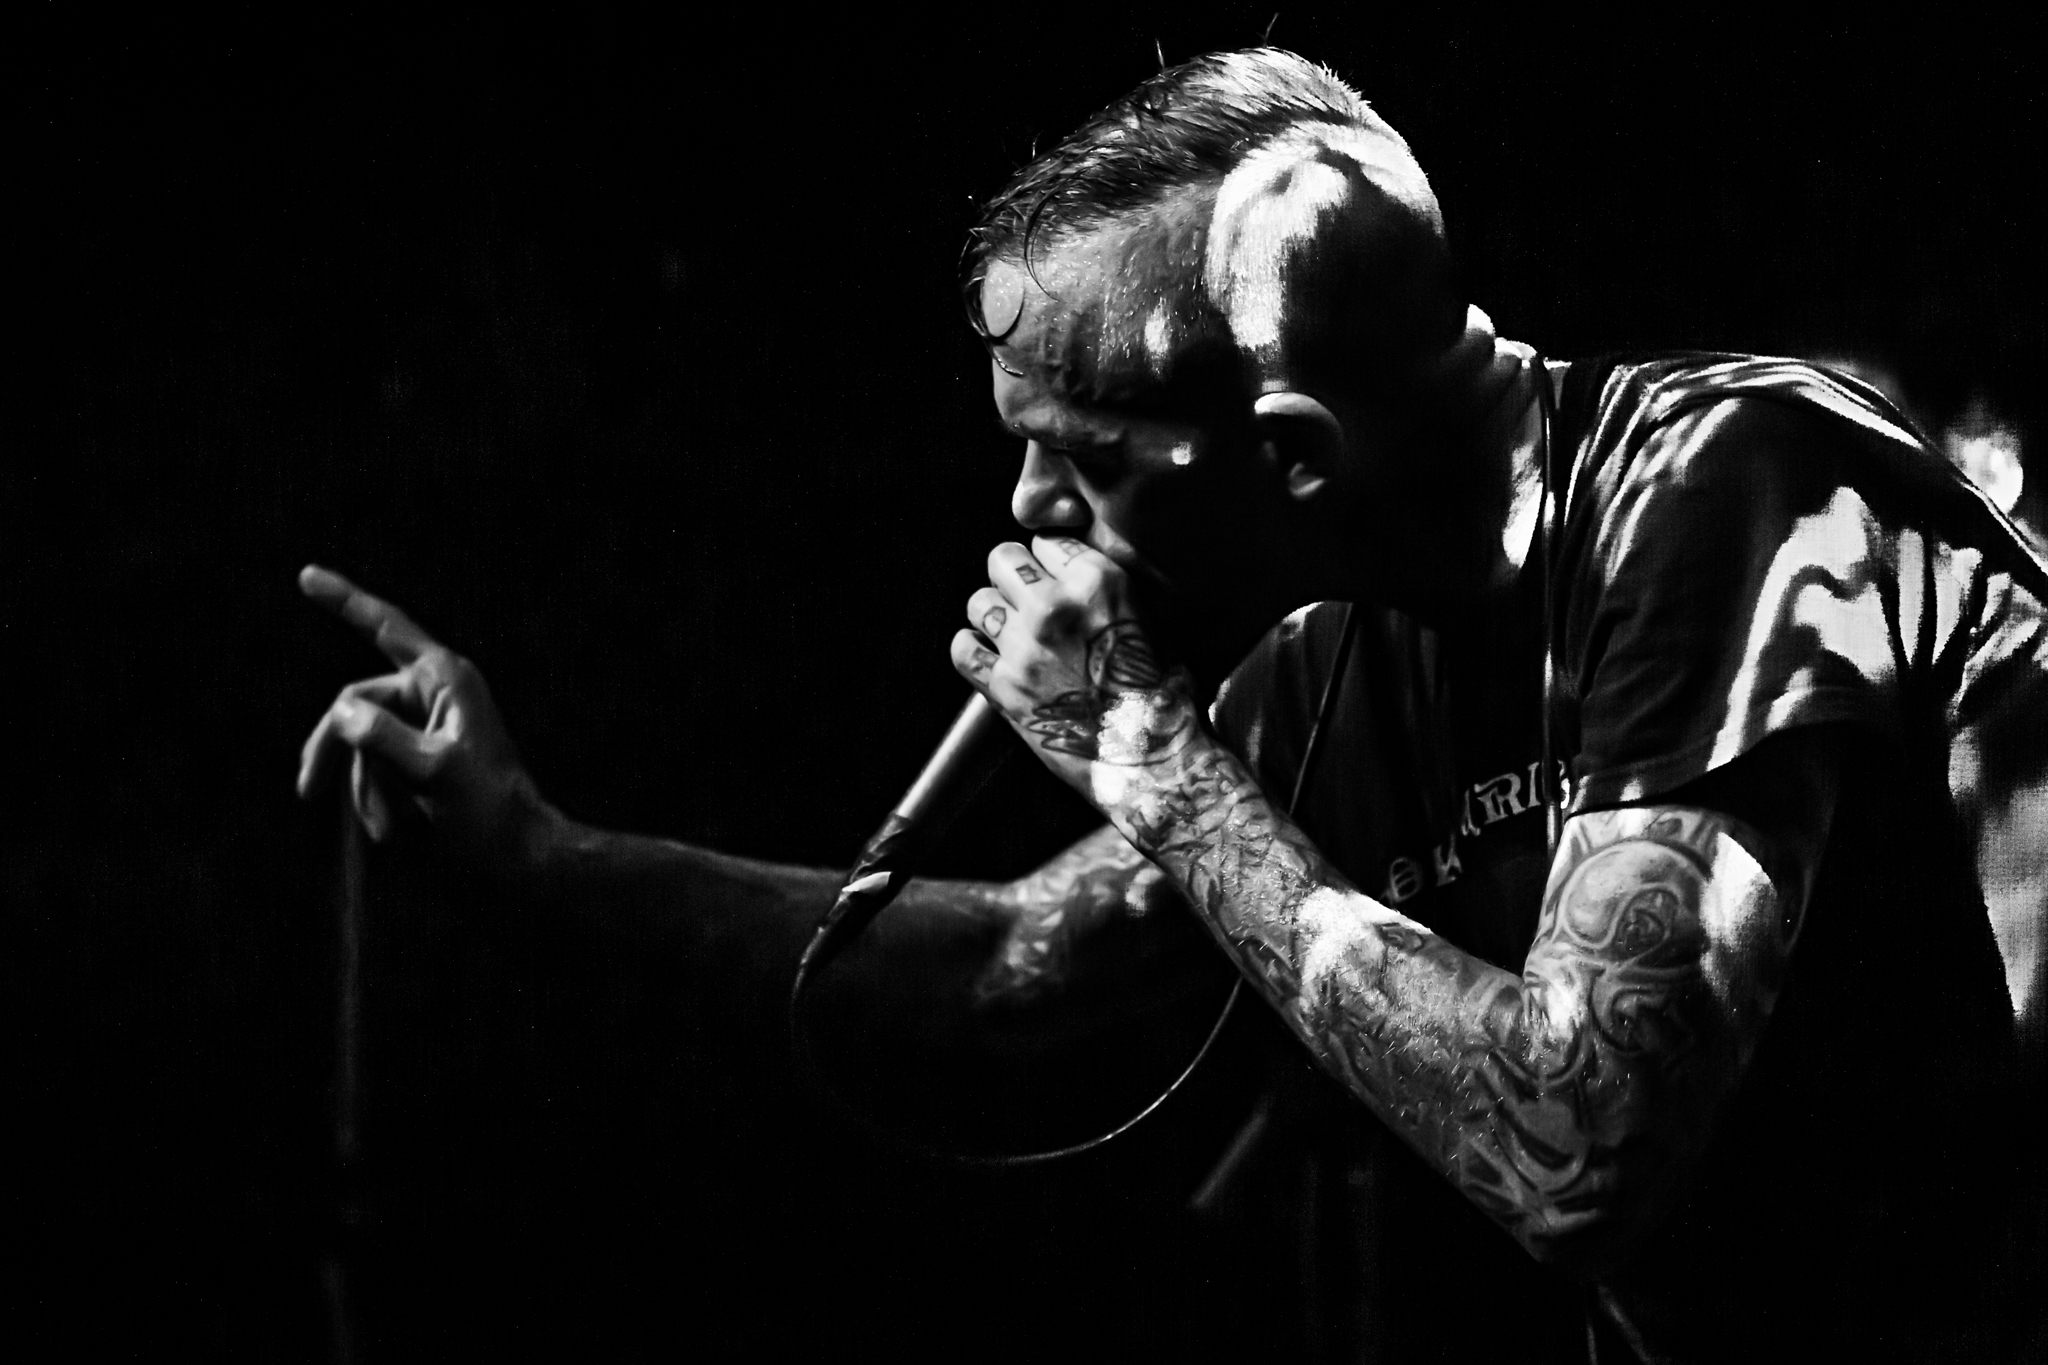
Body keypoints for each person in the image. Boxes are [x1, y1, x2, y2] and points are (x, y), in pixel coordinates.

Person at [299, 48, 2044, 1363]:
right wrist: (541, 853)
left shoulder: (1721, 484)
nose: (1032, 511)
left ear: (1293, 461)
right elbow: (1016, 968)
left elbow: (1580, 1147)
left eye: (1085, 459)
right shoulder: (1335, 659)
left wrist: (1155, 760)